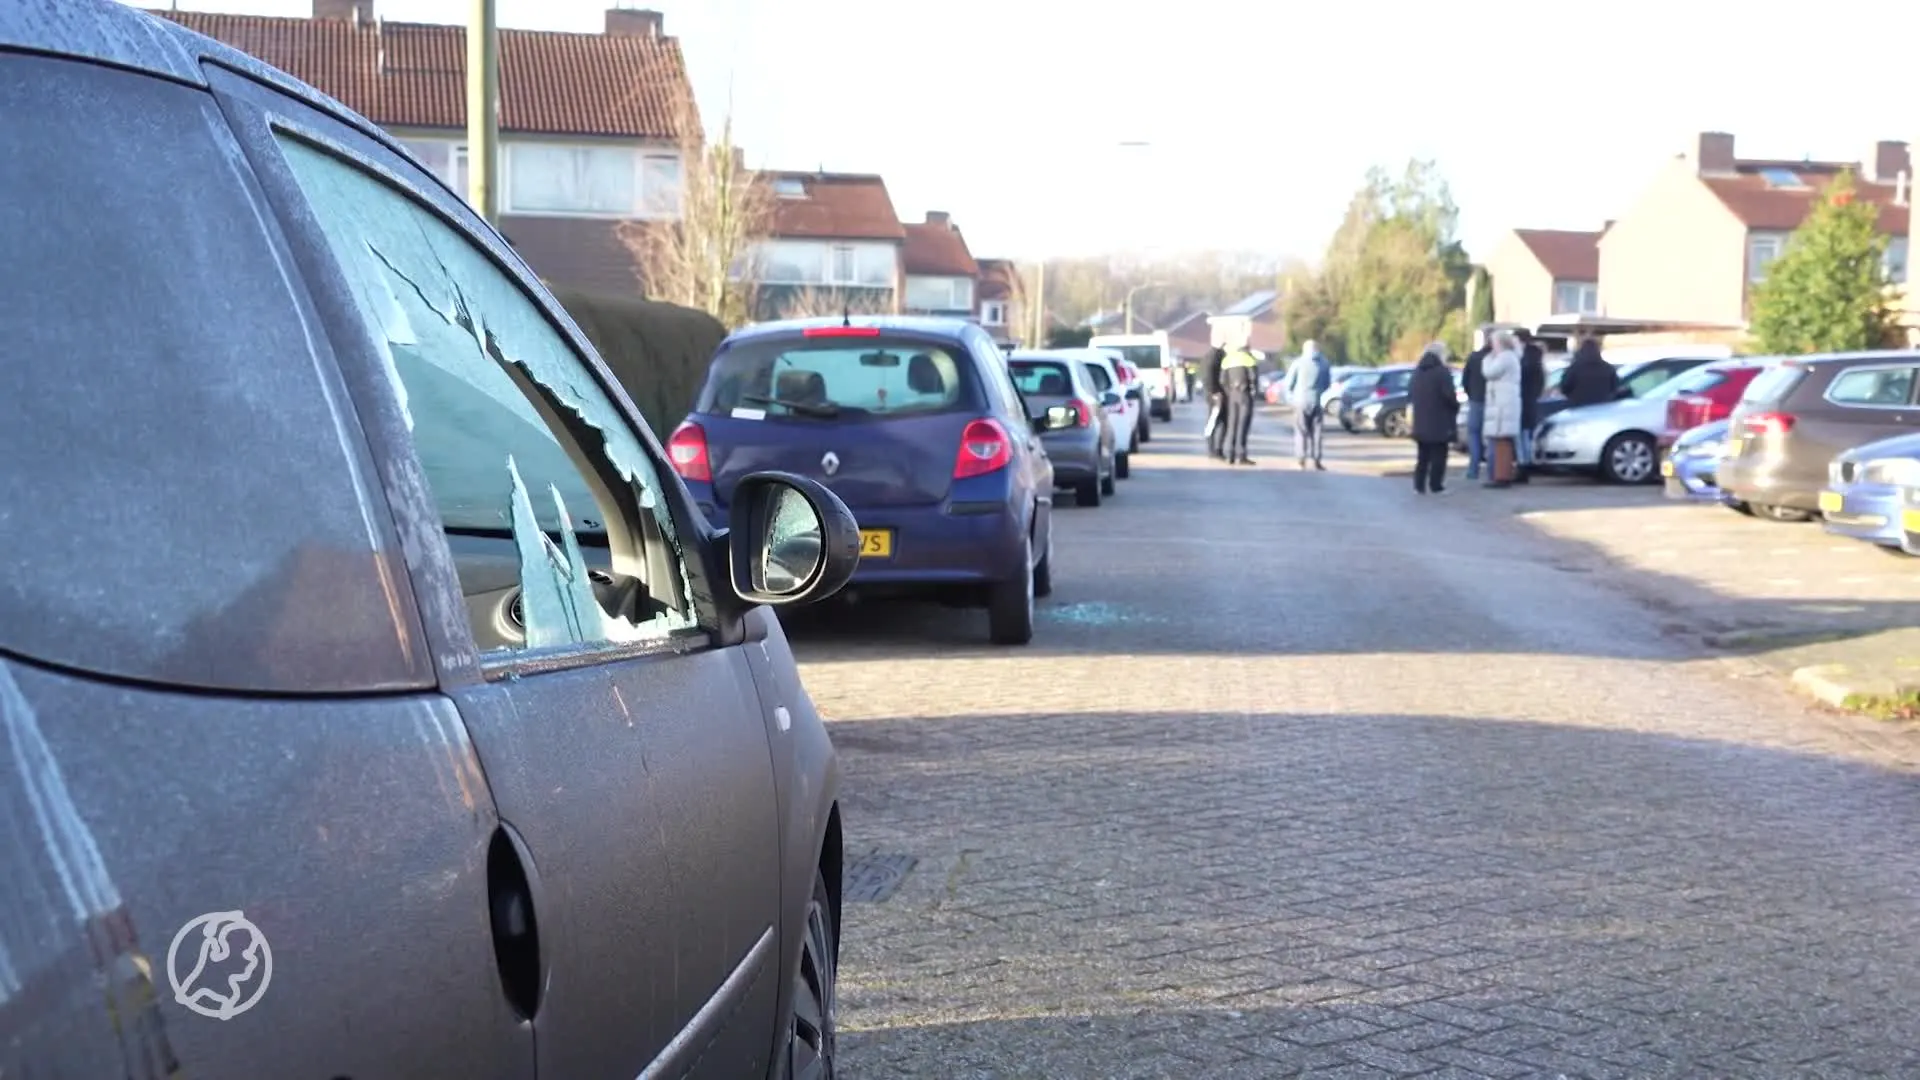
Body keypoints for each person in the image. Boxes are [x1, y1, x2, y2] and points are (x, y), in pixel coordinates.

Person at [1408, 342, 1459, 494]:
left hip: (1421, 421)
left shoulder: (1417, 372)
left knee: (1422, 456)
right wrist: (1455, 407)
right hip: (1440, 421)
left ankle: (1419, 485)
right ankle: (1436, 485)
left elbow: (1410, 394)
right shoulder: (1442, 372)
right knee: (1439, 456)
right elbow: (1449, 395)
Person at [1481, 330, 1523, 488]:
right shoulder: (1511, 357)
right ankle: (1501, 475)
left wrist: (1487, 359)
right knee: (1502, 443)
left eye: (1494, 342)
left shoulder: (1505, 357)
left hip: (1502, 406)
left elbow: (1489, 372)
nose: (1492, 346)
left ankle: (1501, 477)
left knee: (1501, 442)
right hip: (1504, 403)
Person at [1282, 339, 1332, 470]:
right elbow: (1327, 384)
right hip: (1317, 401)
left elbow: (1288, 384)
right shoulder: (1324, 364)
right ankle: (1317, 460)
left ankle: (1301, 460)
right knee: (1317, 432)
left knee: (1301, 430)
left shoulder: (1298, 363)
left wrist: (1290, 398)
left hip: (1301, 401)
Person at [1220, 342, 1260, 465]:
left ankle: (1229, 455)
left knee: (1232, 424)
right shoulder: (1249, 359)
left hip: (1232, 395)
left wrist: (1229, 392)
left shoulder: (1227, 360)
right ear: (1247, 349)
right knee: (1243, 425)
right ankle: (1241, 455)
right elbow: (1253, 379)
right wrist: (1253, 394)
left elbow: (1222, 380)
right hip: (1245, 395)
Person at [1516, 330, 1545, 484]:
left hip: (1523, 401)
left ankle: (1524, 466)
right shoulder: (1536, 358)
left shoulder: (1524, 359)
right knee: (1527, 435)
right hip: (1531, 401)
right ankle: (1526, 464)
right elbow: (1540, 381)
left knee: (1522, 436)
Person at [1461, 332, 1489, 480]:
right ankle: (1492, 470)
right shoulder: (1495, 359)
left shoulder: (1474, 358)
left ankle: (1473, 469)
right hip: (1492, 402)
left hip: (1476, 400)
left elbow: (1465, 380)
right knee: (1492, 437)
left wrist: (1471, 394)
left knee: (1474, 434)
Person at [1559, 337, 1619, 407]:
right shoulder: (1608, 368)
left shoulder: (1574, 368)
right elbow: (1615, 388)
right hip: (1603, 407)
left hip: (1579, 406)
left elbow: (1564, 387)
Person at [1199, 346, 1227, 459]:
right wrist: (1214, 391)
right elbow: (1208, 375)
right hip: (1215, 395)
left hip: (1215, 394)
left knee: (1220, 421)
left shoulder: (1213, 355)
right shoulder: (1214, 356)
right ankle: (1213, 450)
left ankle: (1217, 449)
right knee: (1214, 421)